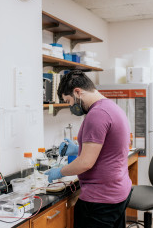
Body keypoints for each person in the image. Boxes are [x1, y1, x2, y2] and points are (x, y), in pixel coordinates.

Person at [45, 71, 132, 228]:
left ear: (78, 92)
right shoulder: (111, 107)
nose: (71, 106)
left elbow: (85, 163)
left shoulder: (97, 114)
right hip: (117, 192)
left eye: (69, 100)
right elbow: (106, 149)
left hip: (100, 201)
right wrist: (77, 149)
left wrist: (60, 171)